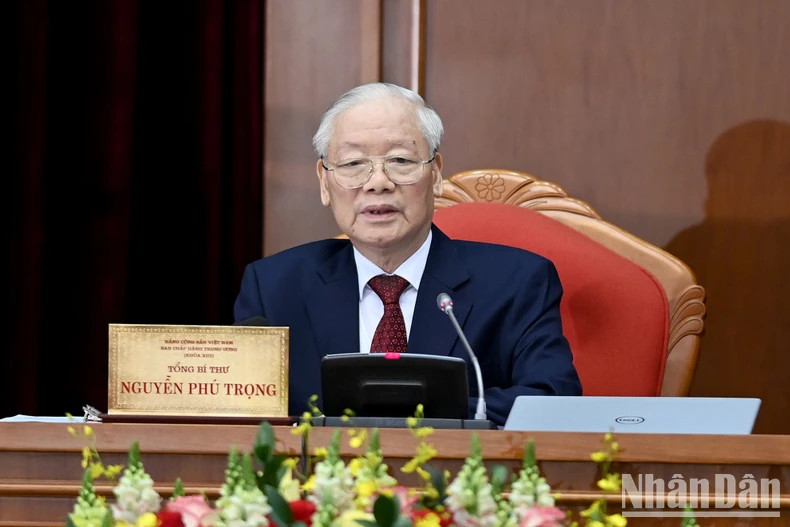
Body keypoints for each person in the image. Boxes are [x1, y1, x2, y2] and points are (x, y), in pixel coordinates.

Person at [234, 82, 581, 425]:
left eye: (400, 160)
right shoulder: (273, 288)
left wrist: (421, 408)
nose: (378, 182)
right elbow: (239, 412)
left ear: (436, 174)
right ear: (325, 182)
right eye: (353, 163)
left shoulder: (517, 283)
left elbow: (552, 399)